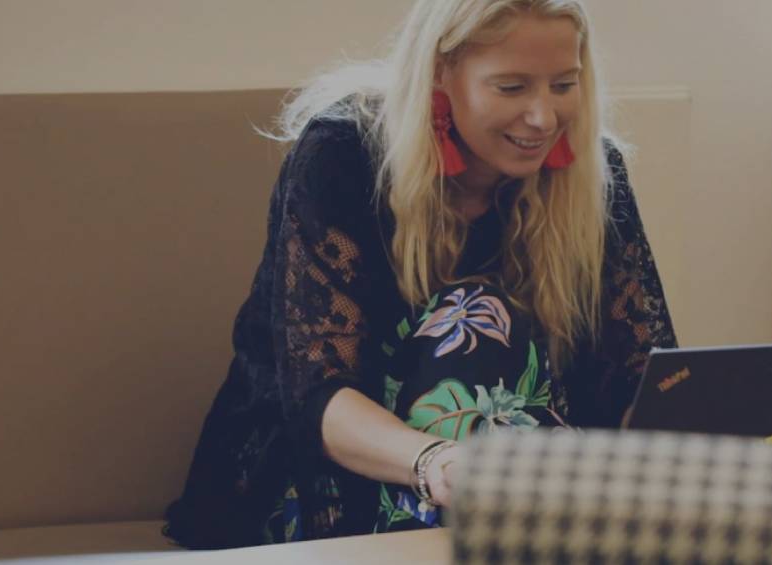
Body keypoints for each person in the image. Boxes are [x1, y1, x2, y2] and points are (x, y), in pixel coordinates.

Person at [163, 0, 677, 549]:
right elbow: (320, 397)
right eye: (511, 88)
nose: (543, 118)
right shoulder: (343, 155)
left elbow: (639, 377)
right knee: (478, 321)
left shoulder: (594, 176)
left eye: (563, 85)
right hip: (328, 479)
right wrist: (435, 459)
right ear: (440, 73)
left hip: (518, 475)